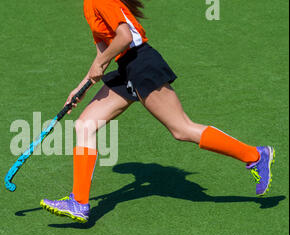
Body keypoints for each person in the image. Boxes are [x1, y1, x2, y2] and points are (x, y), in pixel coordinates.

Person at [40, 0, 275, 223]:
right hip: (126, 69)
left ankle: (255, 156)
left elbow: (124, 37)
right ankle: (79, 202)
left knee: (181, 129)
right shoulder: (89, 5)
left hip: (142, 64)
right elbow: (103, 53)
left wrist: (100, 64)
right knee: (85, 125)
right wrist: (81, 89)